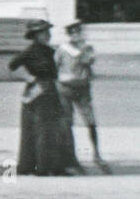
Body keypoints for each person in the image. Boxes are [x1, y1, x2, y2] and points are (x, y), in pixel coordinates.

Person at [8, 19, 77, 176]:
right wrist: (29, 78)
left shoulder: (51, 51)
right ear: (36, 35)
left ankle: (54, 166)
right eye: (44, 33)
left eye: (48, 32)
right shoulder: (30, 51)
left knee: (55, 129)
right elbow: (12, 66)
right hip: (38, 92)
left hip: (52, 90)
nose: (48, 35)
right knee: (42, 130)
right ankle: (42, 166)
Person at [56, 20, 108, 172]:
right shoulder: (62, 49)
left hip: (82, 87)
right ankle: (70, 156)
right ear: (69, 34)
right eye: (73, 32)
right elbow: (56, 66)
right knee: (67, 122)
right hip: (65, 87)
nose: (77, 34)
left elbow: (89, 60)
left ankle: (96, 153)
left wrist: (81, 51)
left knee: (90, 121)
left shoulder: (87, 48)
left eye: (79, 31)